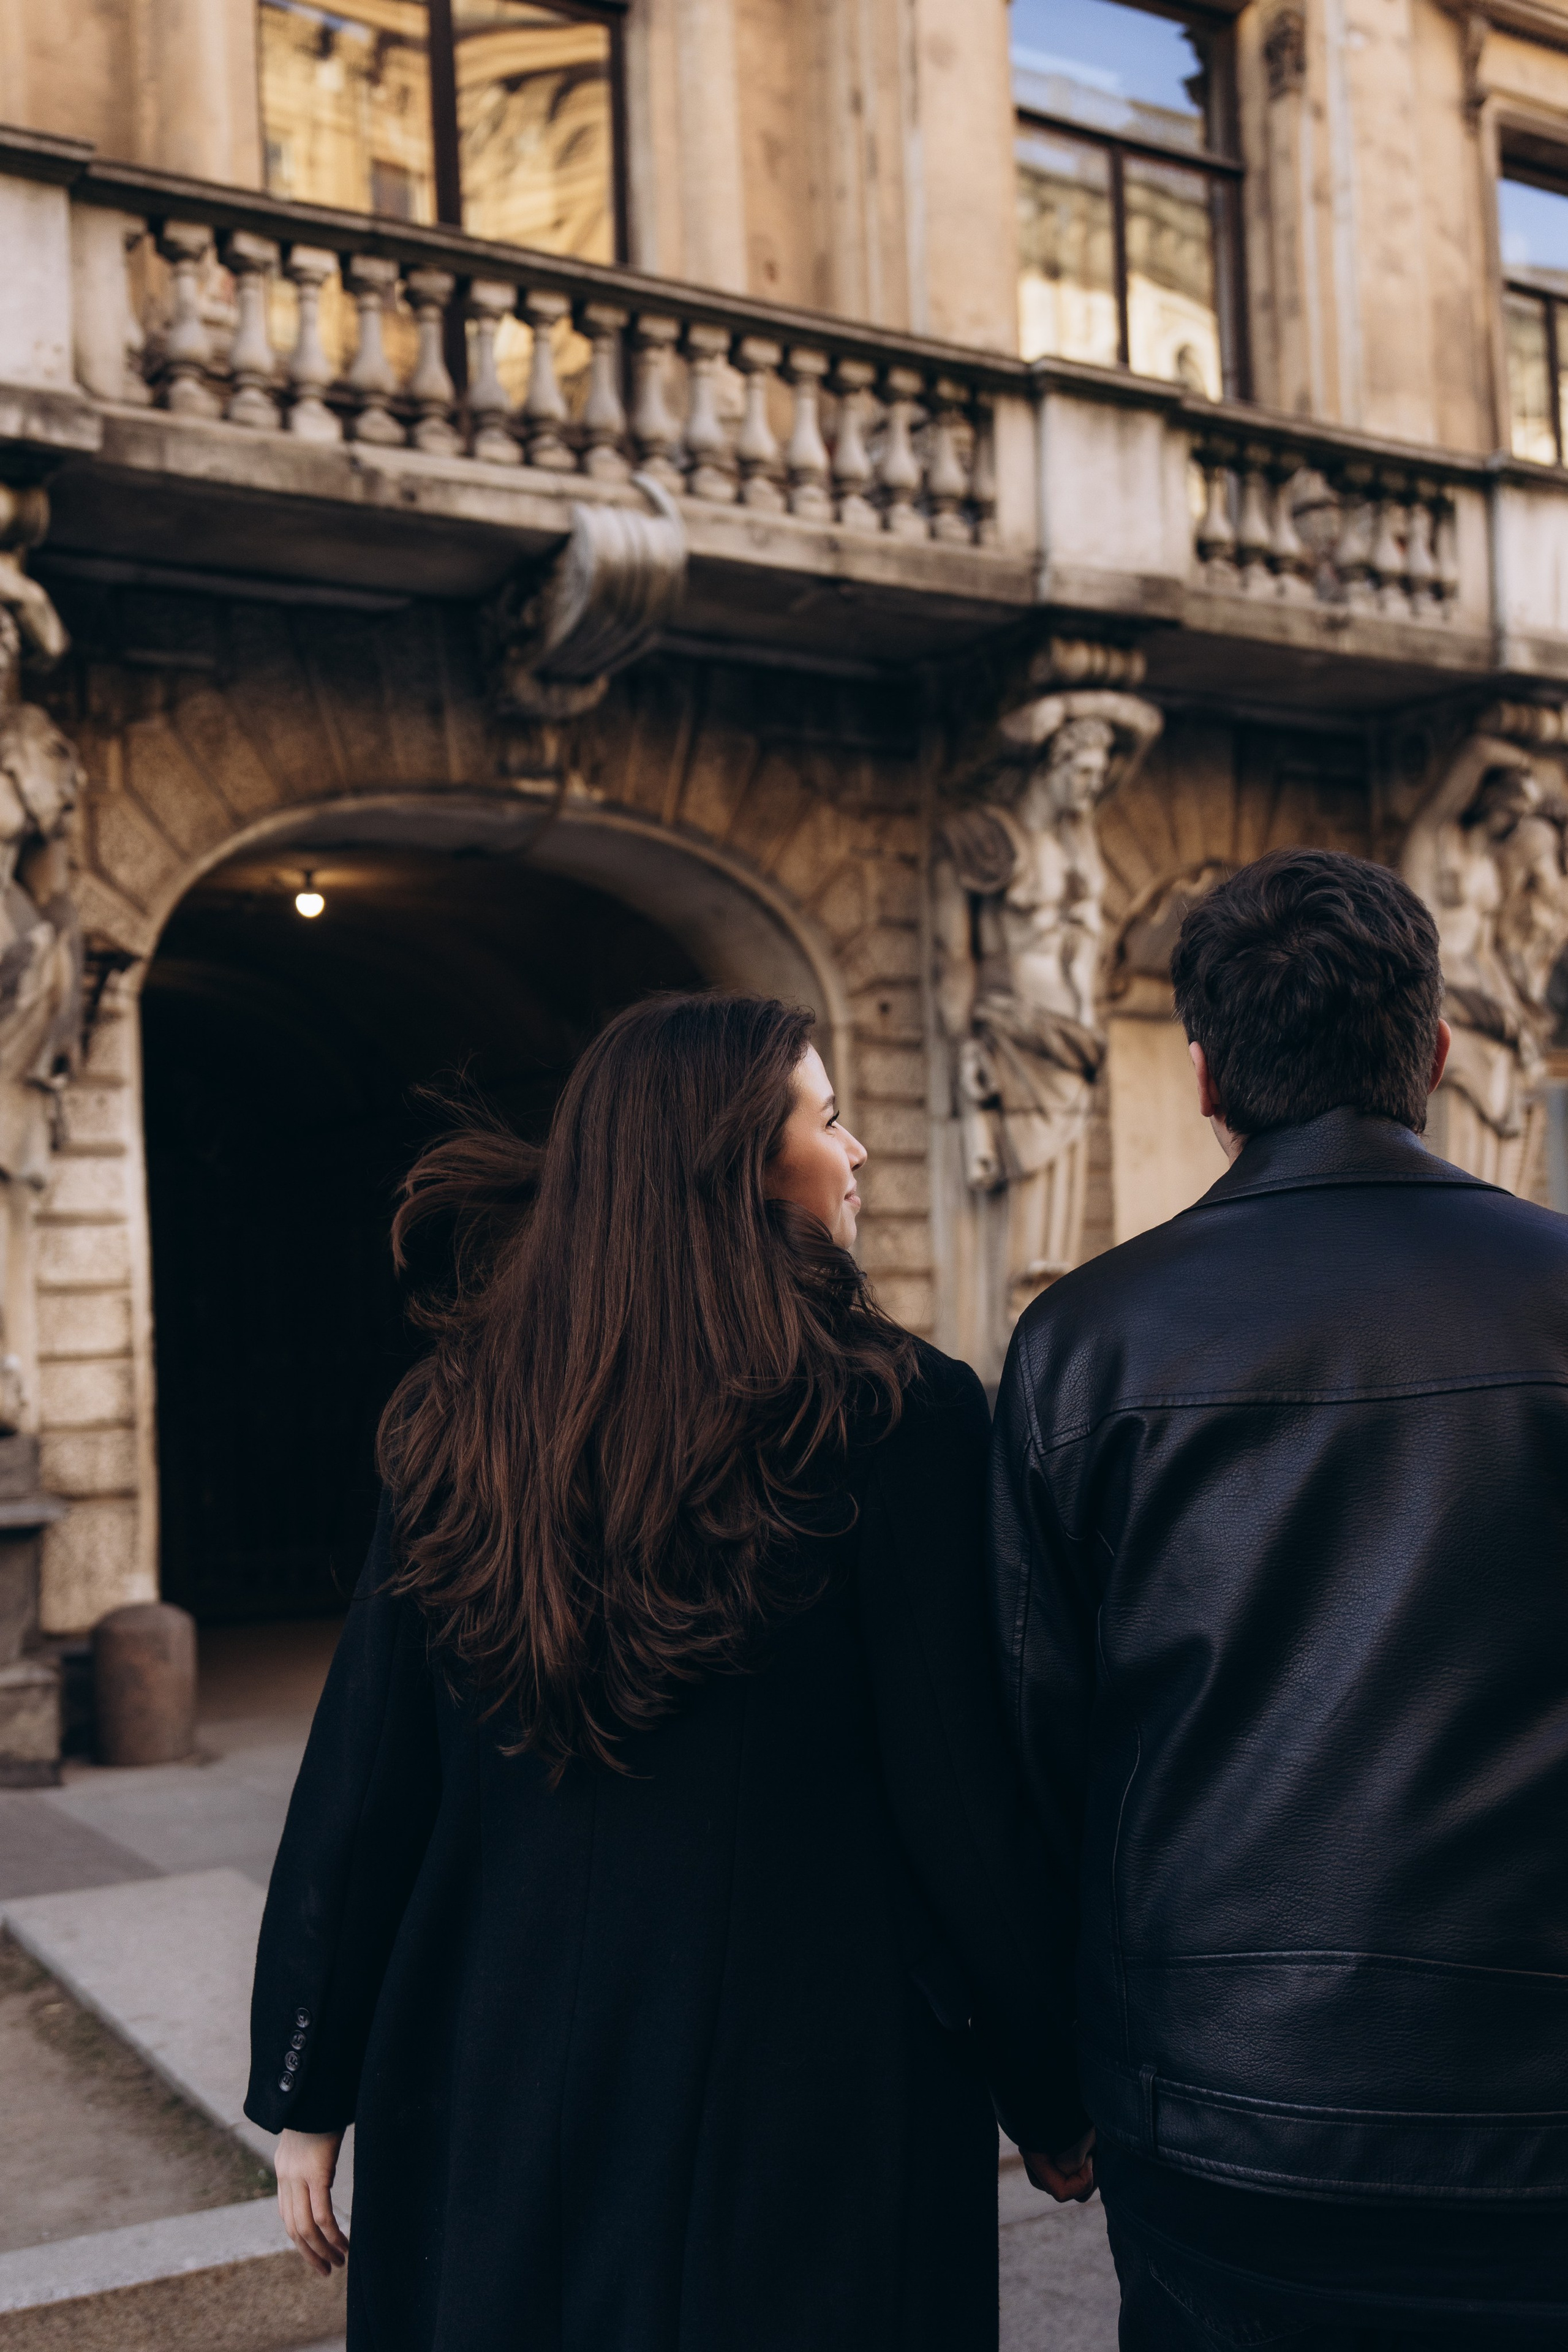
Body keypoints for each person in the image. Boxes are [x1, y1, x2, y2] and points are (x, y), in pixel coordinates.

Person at [246, 992, 1080, 2352]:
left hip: (498, 2059)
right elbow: (956, 1790)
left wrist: (311, 2087)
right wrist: (1047, 2090)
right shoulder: (894, 1411)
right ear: (735, 1166)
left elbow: (365, 1782)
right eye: (825, 1119)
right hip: (806, 2090)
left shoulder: (461, 1414)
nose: (857, 1151)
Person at [990, 850, 1568, 2345]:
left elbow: (1035, 1759)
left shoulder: (1083, 1343)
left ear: (1200, 1076)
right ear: (1435, 1052)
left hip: (1217, 2112)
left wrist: (1049, 2088)